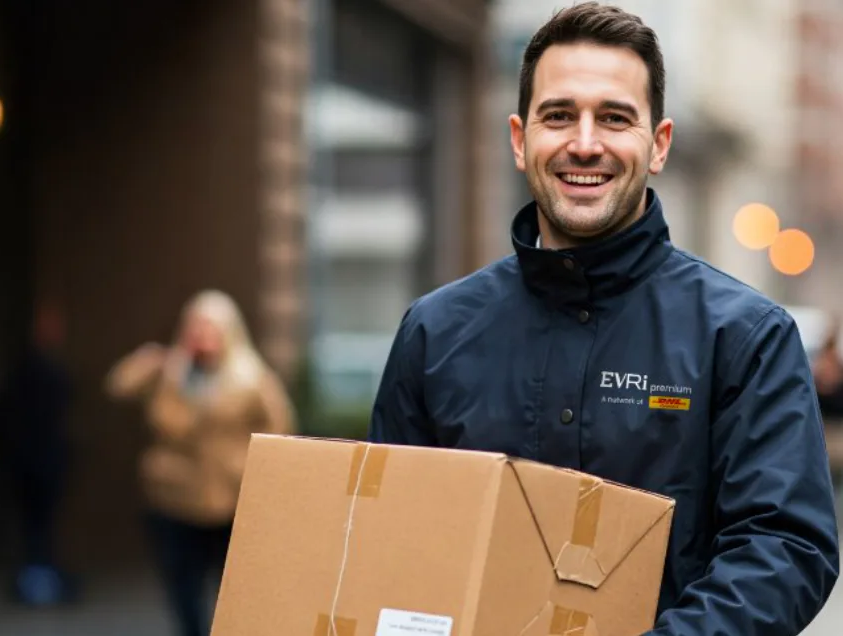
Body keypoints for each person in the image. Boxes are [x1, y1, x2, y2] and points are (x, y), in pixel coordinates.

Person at [368, 3, 839, 634]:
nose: (584, 143)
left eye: (614, 118)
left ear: (659, 144)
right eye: (558, 115)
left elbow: (786, 547)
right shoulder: (435, 332)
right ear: (519, 138)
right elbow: (389, 539)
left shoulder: (745, 338)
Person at [106, 290, 295, 636]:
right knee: (183, 586)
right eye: (196, 327)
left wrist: (252, 470)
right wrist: (153, 359)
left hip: (231, 498)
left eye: (211, 328)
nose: (202, 336)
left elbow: (280, 426)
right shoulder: (171, 373)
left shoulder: (249, 376)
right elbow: (119, 386)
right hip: (175, 497)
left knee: (234, 587)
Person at [0, 300, 79, 606]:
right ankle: (37, 582)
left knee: (42, 525)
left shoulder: (44, 365)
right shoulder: (29, 368)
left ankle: (41, 578)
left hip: (45, 459)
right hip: (33, 461)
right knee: (35, 526)